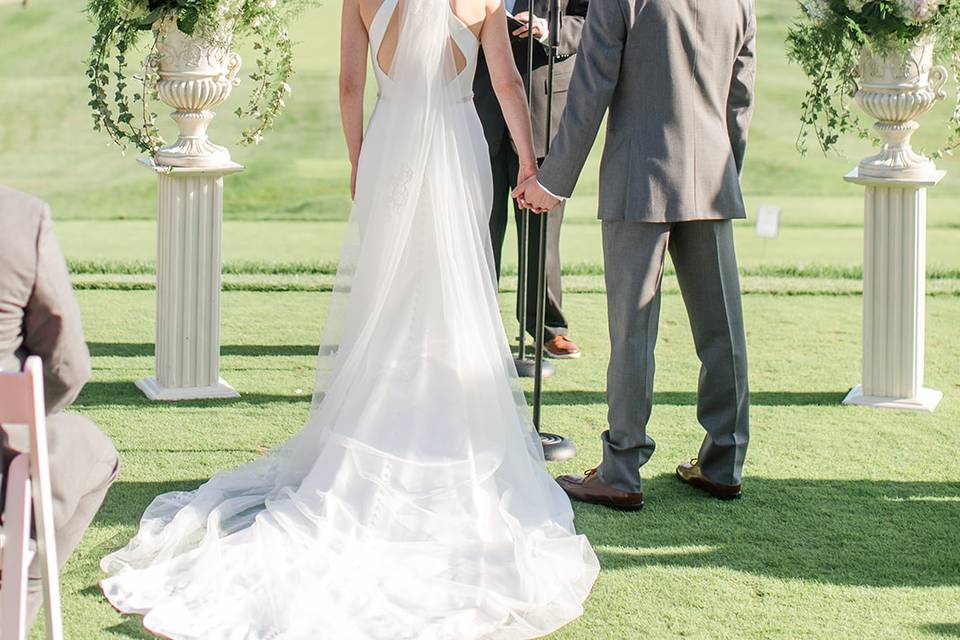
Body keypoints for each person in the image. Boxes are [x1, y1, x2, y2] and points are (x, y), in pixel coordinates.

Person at [99, 0, 599, 638]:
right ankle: (443, 422)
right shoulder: (483, 1)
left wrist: (359, 158)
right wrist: (528, 165)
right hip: (455, 144)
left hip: (390, 143)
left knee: (387, 296)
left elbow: (349, 83)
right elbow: (504, 82)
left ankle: (380, 417)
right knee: (451, 291)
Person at [516, 0, 756, 509]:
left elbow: (590, 89)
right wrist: (722, 173)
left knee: (631, 335)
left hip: (638, 180)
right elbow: (740, 97)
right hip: (712, 181)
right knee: (723, 332)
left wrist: (553, 182)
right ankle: (723, 464)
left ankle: (621, 470)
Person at [0, 185, 119, 632]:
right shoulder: (19, 219)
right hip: (3, 464)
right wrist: (26, 418)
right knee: (94, 450)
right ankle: (15, 597)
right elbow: (68, 368)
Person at [473, 0, 587, 359]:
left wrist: (549, 29)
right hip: (478, 104)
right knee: (477, 226)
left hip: (543, 105)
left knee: (542, 232)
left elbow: (592, 23)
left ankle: (547, 327)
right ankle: (473, 325)